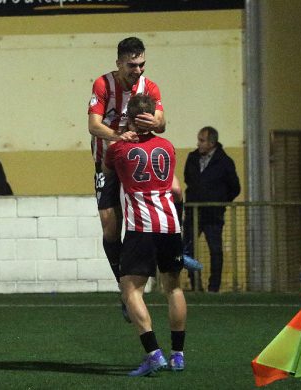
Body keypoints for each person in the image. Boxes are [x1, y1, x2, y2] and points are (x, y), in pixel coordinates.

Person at [104, 94, 187, 376]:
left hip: (141, 228)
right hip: (170, 225)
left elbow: (107, 172)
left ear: (128, 116)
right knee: (173, 288)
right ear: (153, 116)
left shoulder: (118, 149)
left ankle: (153, 353)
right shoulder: (168, 146)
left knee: (130, 289)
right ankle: (178, 355)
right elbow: (176, 190)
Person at [87, 36, 166, 317]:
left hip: (137, 164)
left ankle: (140, 283)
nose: (139, 70)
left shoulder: (150, 87)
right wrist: (120, 137)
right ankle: (124, 286)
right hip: (107, 163)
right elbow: (93, 125)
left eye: (142, 64)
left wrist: (154, 122)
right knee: (110, 226)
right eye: (132, 65)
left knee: (145, 221)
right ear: (119, 63)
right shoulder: (103, 84)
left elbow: (162, 123)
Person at [183, 126, 241, 292]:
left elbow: (235, 188)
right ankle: (195, 285)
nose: (198, 144)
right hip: (193, 212)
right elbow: (189, 178)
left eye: (202, 140)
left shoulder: (224, 161)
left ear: (211, 143)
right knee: (188, 250)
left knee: (215, 250)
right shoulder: (192, 158)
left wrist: (220, 201)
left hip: (214, 214)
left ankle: (213, 287)